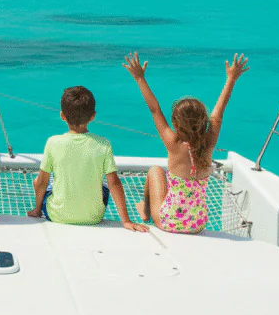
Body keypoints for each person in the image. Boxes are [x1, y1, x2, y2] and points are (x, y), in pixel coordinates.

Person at [124, 51, 249, 234]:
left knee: (155, 171)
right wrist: (231, 78)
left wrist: (139, 78)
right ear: (205, 122)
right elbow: (218, 113)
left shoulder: (173, 143)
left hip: (169, 222)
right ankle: (150, 208)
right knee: (177, 190)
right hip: (198, 223)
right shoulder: (209, 142)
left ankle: (145, 211)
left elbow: (154, 109)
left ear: (175, 124)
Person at [26, 86, 148, 233]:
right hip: (93, 217)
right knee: (103, 184)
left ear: (62, 116)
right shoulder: (103, 144)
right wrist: (126, 221)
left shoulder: (53, 142)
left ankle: (38, 209)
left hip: (57, 215)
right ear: (93, 116)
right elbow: (114, 183)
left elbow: (41, 182)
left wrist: (38, 209)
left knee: (38, 181)